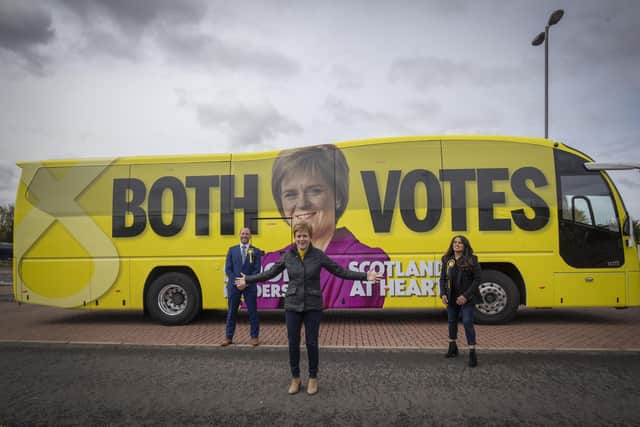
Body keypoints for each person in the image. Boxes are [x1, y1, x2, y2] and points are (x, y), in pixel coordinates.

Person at [236, 222, 383, 395]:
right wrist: (248, 279)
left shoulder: (318, 256)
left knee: (312, 343)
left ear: (309, 237)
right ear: (295, 237)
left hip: (313, 305)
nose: (302, 239)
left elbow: (341, 272)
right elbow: (269, 273)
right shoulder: (288, 256)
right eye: (298, 236)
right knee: (293, 343)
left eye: (305, 236)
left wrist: (366, 276)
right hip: (292, 305)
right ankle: (295, 378)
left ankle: (313, 378)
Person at [257, 144, 389, 309]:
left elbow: (344, 322)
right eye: (290, 194)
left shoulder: (367, 261)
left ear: (337, 196)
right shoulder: (268, 261)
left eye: (314, 191)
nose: (302, 203)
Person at [439, 235, 481, 367]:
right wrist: (443, 294)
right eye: (455, 242)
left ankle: (472, 352)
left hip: (467, 298)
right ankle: (452, 347)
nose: (457, 244)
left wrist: (466, 296)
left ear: (465, 246)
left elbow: (477, 279)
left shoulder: (472, 259)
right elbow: (443, 279)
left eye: (460, 243)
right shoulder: (447, 259)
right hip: (451, 298)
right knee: (452, 321)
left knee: (467, 321)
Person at [222, 227, 262, 347]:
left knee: (252, 312)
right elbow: (228, 269)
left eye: (247, 234)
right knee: (231, 312)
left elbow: (257, 270)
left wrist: (247, 281)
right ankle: (228, 337)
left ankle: (254, 337)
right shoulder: (232, 250)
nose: (244, 235)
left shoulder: (256, 251)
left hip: (249, 286)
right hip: (234, 286)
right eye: (243, 233)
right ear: (239, 235)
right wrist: (238, 282)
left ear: (250, 236)